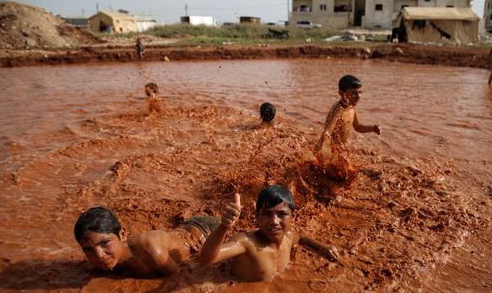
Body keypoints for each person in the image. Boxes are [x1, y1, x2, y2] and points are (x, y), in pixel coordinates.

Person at [199, 185, 340, 282]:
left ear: (293, 218)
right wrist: (224, 226)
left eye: (282, 214)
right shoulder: (246, 243)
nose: (274, 221)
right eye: (266, 214)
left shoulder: (289, 237)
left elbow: (301, 238)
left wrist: (322, 247)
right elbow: (207, 258)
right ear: (257, 218)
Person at [74, 206, 220, 276]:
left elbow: (178, 279)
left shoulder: (150, 251)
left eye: (105, 243)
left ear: (122, 234)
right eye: (88, 250)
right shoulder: (103, 261)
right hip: (181, 229)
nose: (99, 255)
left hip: (204, 230)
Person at [315, 74, 380, 161]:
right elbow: (327, 132)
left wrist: (372, 128)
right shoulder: (338, 109)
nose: (358, 96)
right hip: (329, 149)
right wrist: (319, 150)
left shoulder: (352, 107)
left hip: (339, 149)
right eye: (354, 93)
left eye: (360, 92)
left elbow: (358, 127)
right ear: (342, 93)